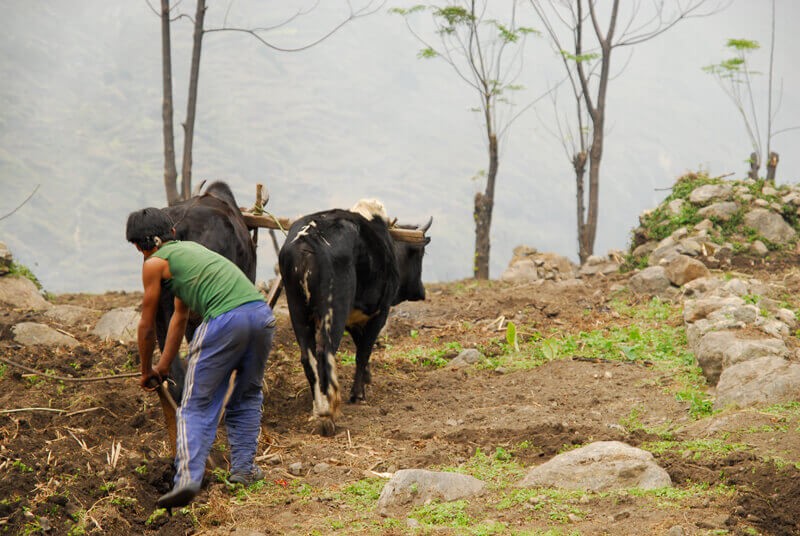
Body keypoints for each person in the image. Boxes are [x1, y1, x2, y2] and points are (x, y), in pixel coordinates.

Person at [126, 207, 275, 509]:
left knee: (196, 404)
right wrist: (163, 367)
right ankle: (244, 470)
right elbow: (179, 318)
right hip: (260, 316)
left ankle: (187, 479)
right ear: (172, 233)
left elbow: (146, 325)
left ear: (140, 246)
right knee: (246, 395)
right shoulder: (191, 255)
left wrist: (144, 369)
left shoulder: (154, 263)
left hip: (225, 321)